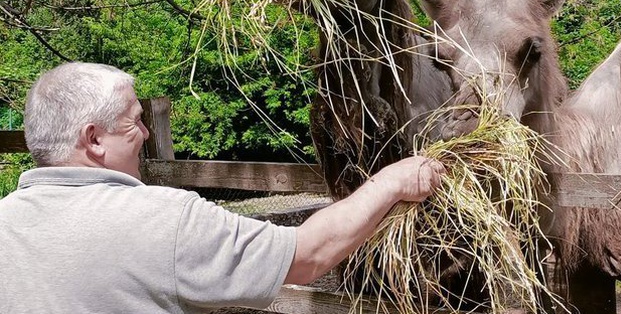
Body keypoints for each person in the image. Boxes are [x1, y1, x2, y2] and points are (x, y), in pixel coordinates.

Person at [0, 62, 445, 313]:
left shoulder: (7, 221)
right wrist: (392, 181)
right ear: (94, 139)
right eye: (135, 121)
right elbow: (307, 254)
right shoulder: (164, 219)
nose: (147, 133)